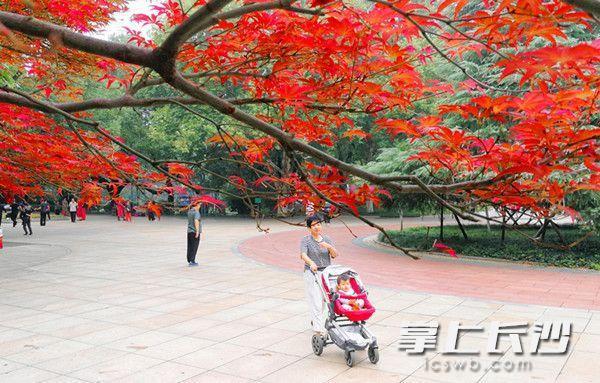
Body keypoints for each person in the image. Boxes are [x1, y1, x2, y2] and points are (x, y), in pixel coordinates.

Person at [300, 215, 339, 337]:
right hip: (312, 273)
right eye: (314, 225)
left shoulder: (327, 238)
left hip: (326, 273)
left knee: (325, 300)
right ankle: (318, 328)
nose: (317, 227)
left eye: (319, 224)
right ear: (309, 228)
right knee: (316, 300)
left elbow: (335, 255)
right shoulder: (306, 240)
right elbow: (303, 255)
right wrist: (311, 263)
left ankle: (315, 319)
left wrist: (329, 247)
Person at [186, 201, 202, 266]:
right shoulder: (196, 212)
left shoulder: (189, 211)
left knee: (189, 246)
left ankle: (189, 259)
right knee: (194, 246)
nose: (200, 207)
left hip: (189, 231)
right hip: (194, 232)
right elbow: (196, 221)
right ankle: (192, 261)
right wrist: (197, 232)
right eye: (199, 205)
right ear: (197, 205)